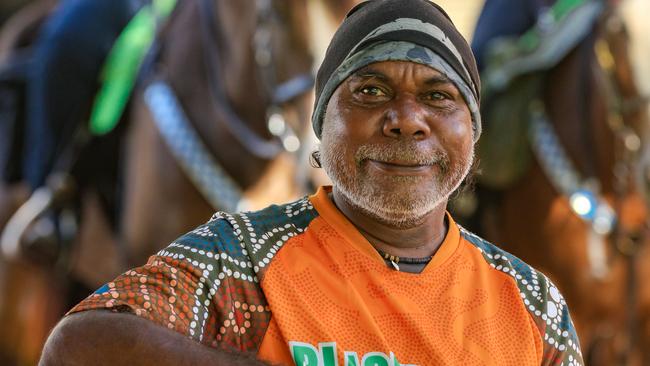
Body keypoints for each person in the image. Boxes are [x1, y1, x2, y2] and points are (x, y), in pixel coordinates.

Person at [39, 0, 585, 365]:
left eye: (439, 96)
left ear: (473, 133)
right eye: (369, 91)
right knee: (74, 42)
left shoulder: (534, 303)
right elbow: (79, 344)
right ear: (323, 127)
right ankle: (51, 190)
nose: (407, 118)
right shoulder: (242, 260)